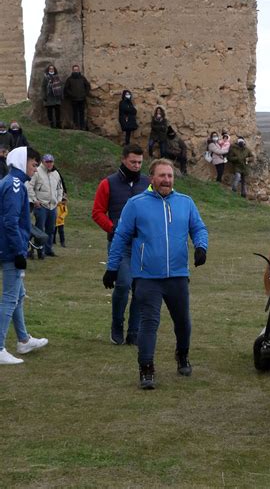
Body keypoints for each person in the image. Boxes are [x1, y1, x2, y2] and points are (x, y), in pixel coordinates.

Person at [102, 158, 208, 389]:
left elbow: (198, 227)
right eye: (162, 176)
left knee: (183, 322)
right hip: (147, 277)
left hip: (178, 275)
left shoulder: (185, 202)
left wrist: (201, 246)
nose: (166, 180)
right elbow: (120, 236)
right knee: (149, 323)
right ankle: (146, 369)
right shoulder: (136, 204)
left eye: (170, 176)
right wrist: (112, 267)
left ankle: (182, 355)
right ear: (152, 178)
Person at [92, 144, 149, 345]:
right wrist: (113, 228)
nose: (136, 165)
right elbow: (97, 212)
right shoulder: (107, 184)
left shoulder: (148, 184)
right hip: (119, 245)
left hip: (142, 246)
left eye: (140, 162)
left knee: (140, 288)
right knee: (123, 284)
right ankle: (117, 324)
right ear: (123, 159)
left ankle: (134, 330)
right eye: (133, 161)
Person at [0, 146, 48, 365]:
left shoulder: (10, 182)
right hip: (10, 249)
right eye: (33, 164)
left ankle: (23, 339)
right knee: (10, 297)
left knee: (18, 295)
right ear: (22, 161)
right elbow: (10, 222)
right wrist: (20, 251)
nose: (35, 169)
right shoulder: (16, 185)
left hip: (8, 247)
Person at [27, 154, 64, 258]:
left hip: (53, 206)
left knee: (51, 229)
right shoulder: (37, 172)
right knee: (40, 229)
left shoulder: (56, 173)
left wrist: (59, 199)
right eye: (47, 162)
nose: (49, 164)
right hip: (41, 205)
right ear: (43, 162)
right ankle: (39, 250)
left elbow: (60, 188)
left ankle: (48, 249)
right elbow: (29, 186)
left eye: (51, 161)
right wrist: (35, 200)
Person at [64, 64, 91, 130]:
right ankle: (76, 126)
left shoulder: (82, 78)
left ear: (79, 70)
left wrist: (85, 94)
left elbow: (87, 86)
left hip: (82, 98)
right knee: (75, 113)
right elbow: (66, 89)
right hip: (74, 99)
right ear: (73, 70)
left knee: (82, 113)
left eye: (77, 69)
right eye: (74, 69)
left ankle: (82, 126)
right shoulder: (69, 79)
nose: (76, 71)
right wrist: (72, 94)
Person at [42, 64, 62, 129]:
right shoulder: (45, 77)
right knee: (49, 112)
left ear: (54, 70)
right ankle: (51, 124)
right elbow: (43, 87)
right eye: (50, 69)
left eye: (52, 69)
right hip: (49, 96)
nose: (51, 70)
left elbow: (61, 86)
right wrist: (44, 95)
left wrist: (61, 95)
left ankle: (58, 124)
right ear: (48, 70)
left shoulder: (57, 77)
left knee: (57, 111)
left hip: (56, 96)